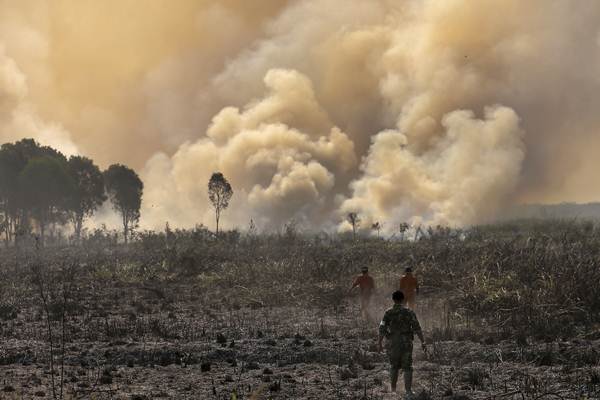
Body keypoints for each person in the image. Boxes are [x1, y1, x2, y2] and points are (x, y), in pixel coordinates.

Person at [378, 290, 426, 398]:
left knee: (394, 366)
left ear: (393, 299)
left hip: (392, 343)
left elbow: (382, 328)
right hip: (406, 343)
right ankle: (408, 391)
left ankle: (393, 390)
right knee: (407, 367)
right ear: (403, 299)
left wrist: (380, 343)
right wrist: (423, 341)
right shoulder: (409, 312)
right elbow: (417, 328)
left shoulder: (388, 312)